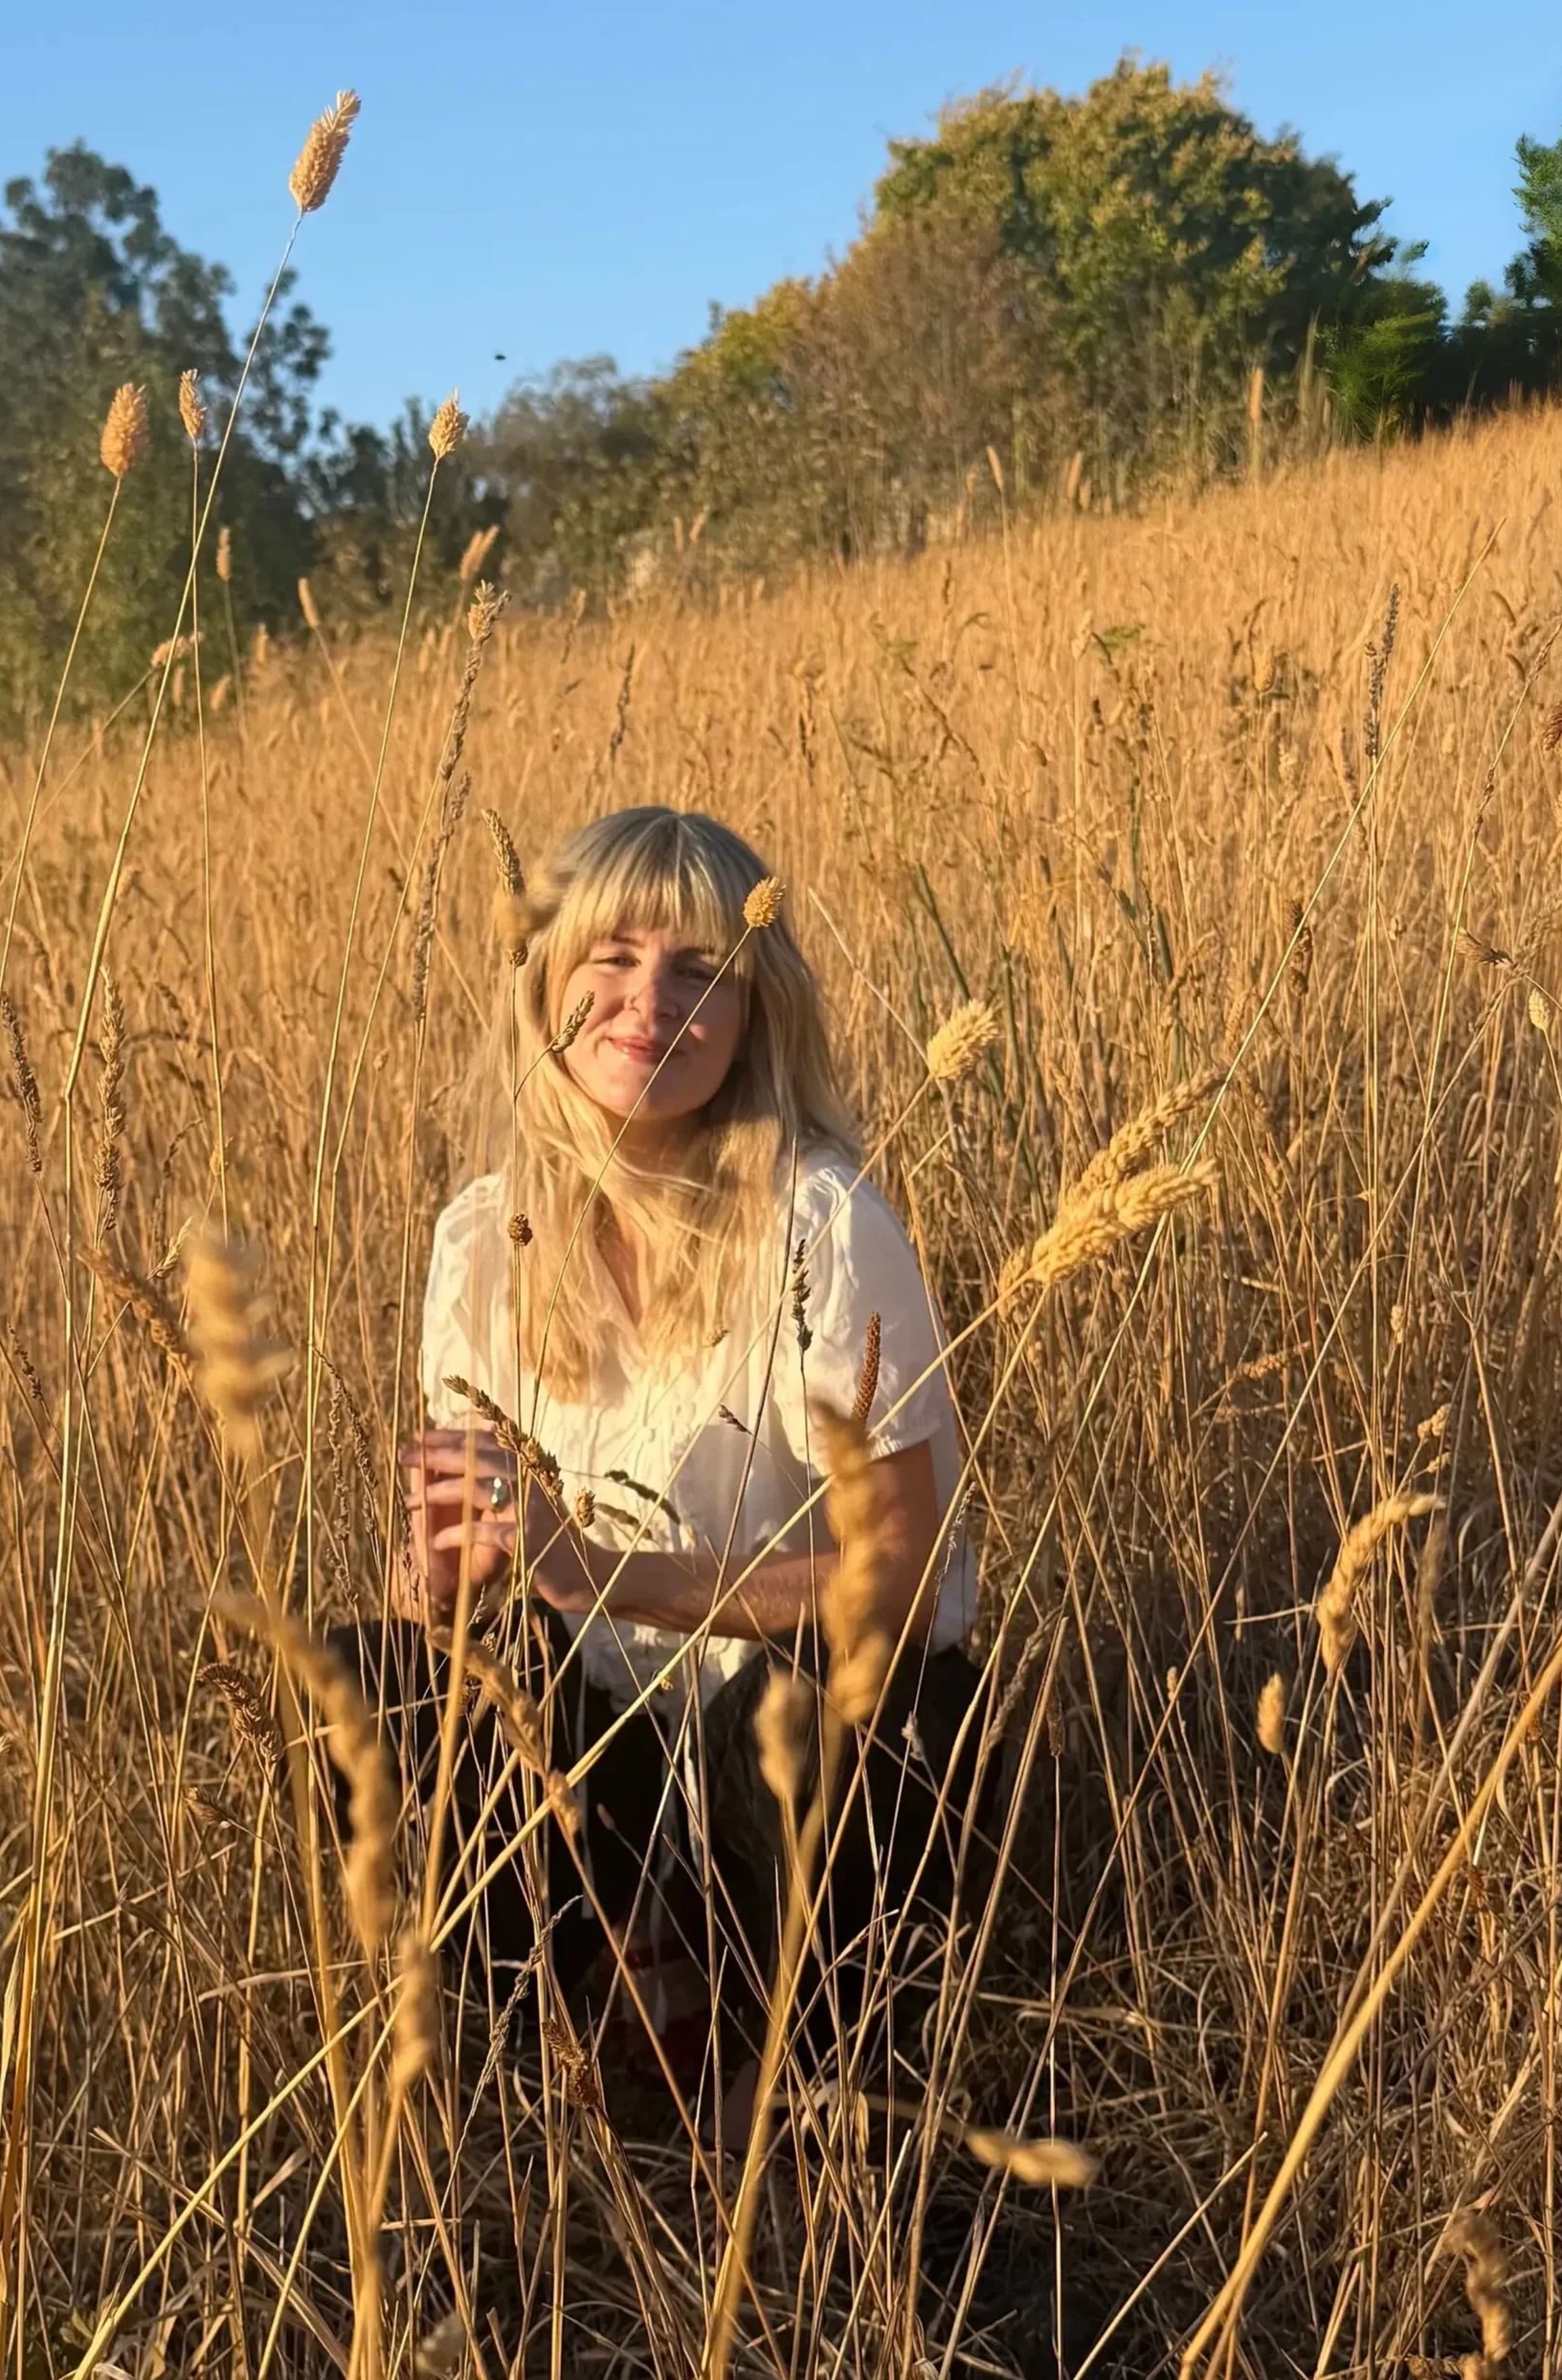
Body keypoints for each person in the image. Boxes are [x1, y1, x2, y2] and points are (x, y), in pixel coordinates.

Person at [361, 805, 989, 2129]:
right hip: (604, 1745)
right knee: (368, 1689)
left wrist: (592, 1567)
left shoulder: (825, 1224)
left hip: (820, 1747)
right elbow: (471, 1583)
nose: (653, 1001)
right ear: (548, 983)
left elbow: (900, 1586)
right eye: (617, 956)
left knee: (802, 1712)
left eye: (703, 970)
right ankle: (597, 2031)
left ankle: (813, 2079)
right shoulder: (483, 1238)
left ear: (756, 1013)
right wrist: (448, 1581)